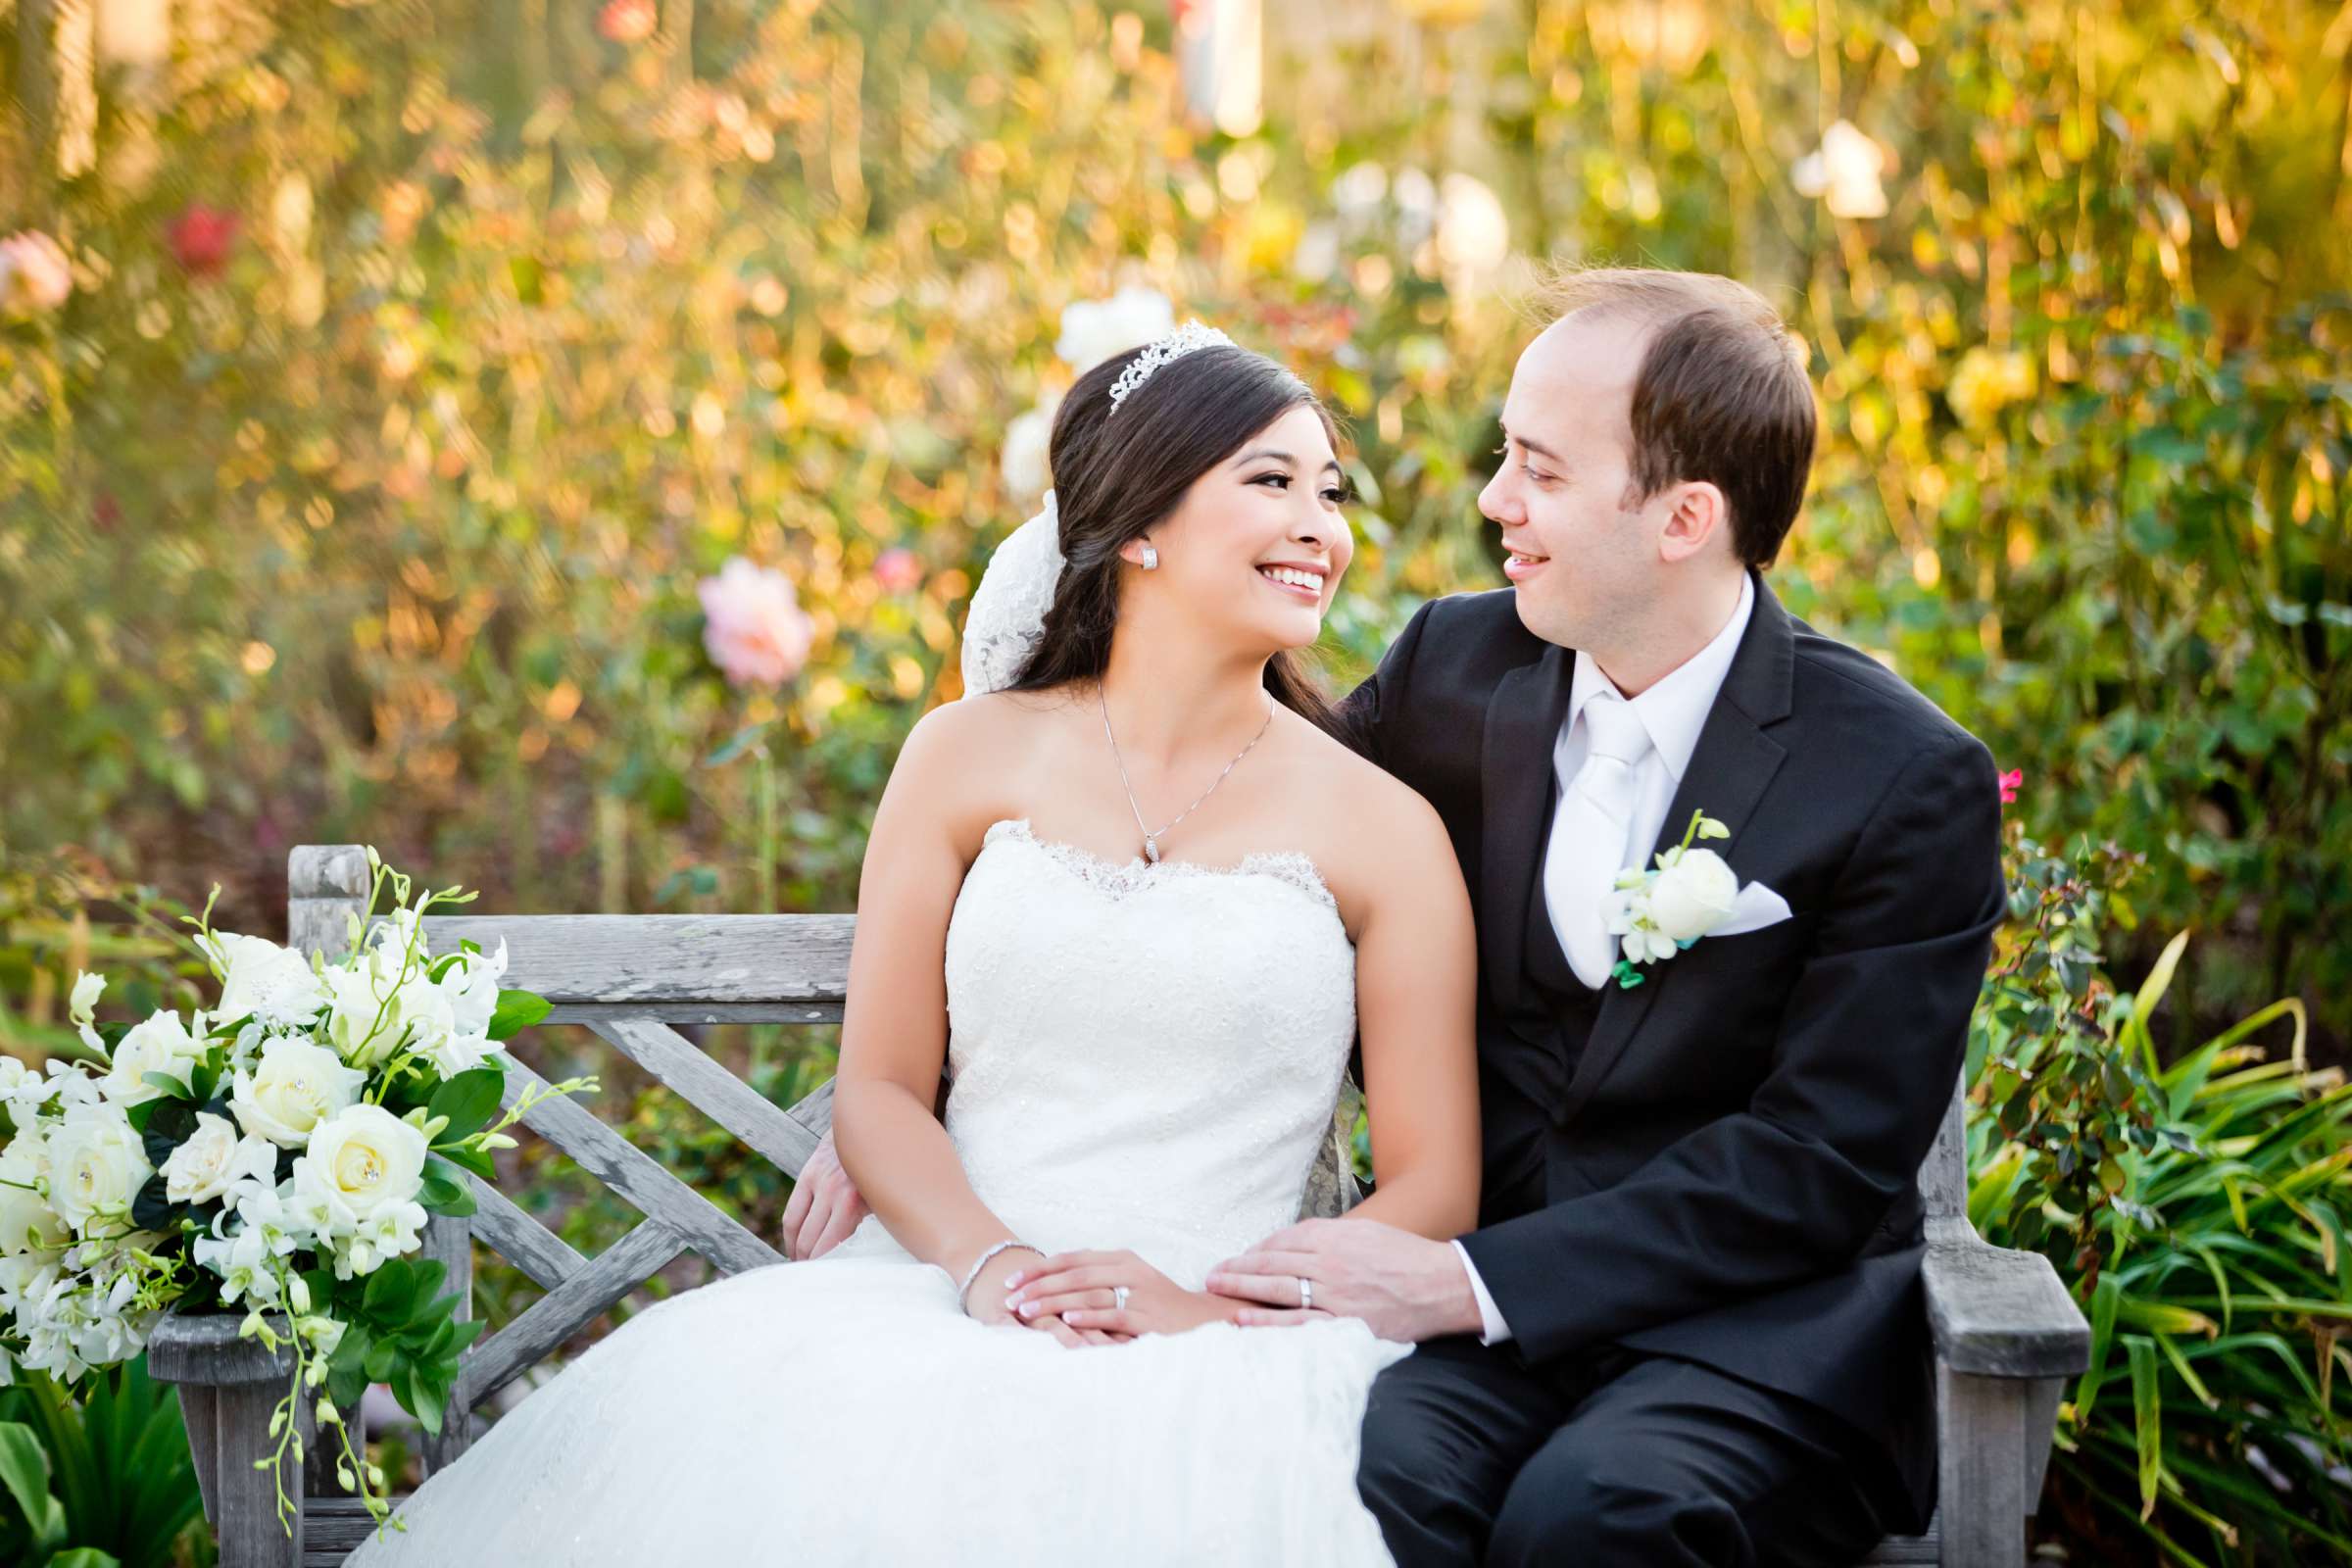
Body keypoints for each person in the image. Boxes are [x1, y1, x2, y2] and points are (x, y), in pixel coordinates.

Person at [350, 322, 1482, 1566]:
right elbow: (880, 1089)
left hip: (1236, 1347)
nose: (1320, 525)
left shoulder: (1385, 829)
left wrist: (1212, 1310)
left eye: (1330, 490)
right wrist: (989, 1265)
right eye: (1270, 482)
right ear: (1140, 523)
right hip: (944, 1292)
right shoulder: (964, 754)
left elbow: (1436, 1189)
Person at [1209, 269, 2007, 1566]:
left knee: (1598, 1517)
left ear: (1684, 516)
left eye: (1541, 470)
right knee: (1361, 1479)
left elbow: (1819, 1163)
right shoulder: (1452, 672)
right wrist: (946, 1059)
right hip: (1491, 1340)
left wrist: (1464, 1280)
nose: (1494, 505)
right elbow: (1220, 837)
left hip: (1758, 1341)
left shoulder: (1899, 780)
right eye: (1502, 458)